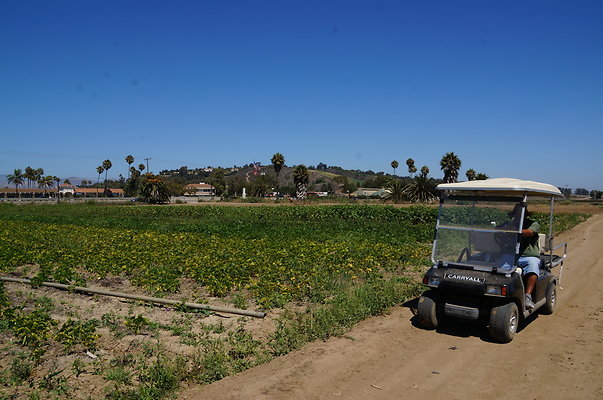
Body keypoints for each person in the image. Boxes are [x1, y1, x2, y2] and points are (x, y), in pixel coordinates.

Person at [510, 204, 541, 310]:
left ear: (525, 215)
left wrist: (512, 230)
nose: (518, 216)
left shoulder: (533, 224)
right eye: (516, 214)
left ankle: (528, 296)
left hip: (528, 256)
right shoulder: (511, 223)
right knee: (498, 265)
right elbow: (499, 229)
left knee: (532, 265)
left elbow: (529, 232)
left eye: (520, 214)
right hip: (512, 255)